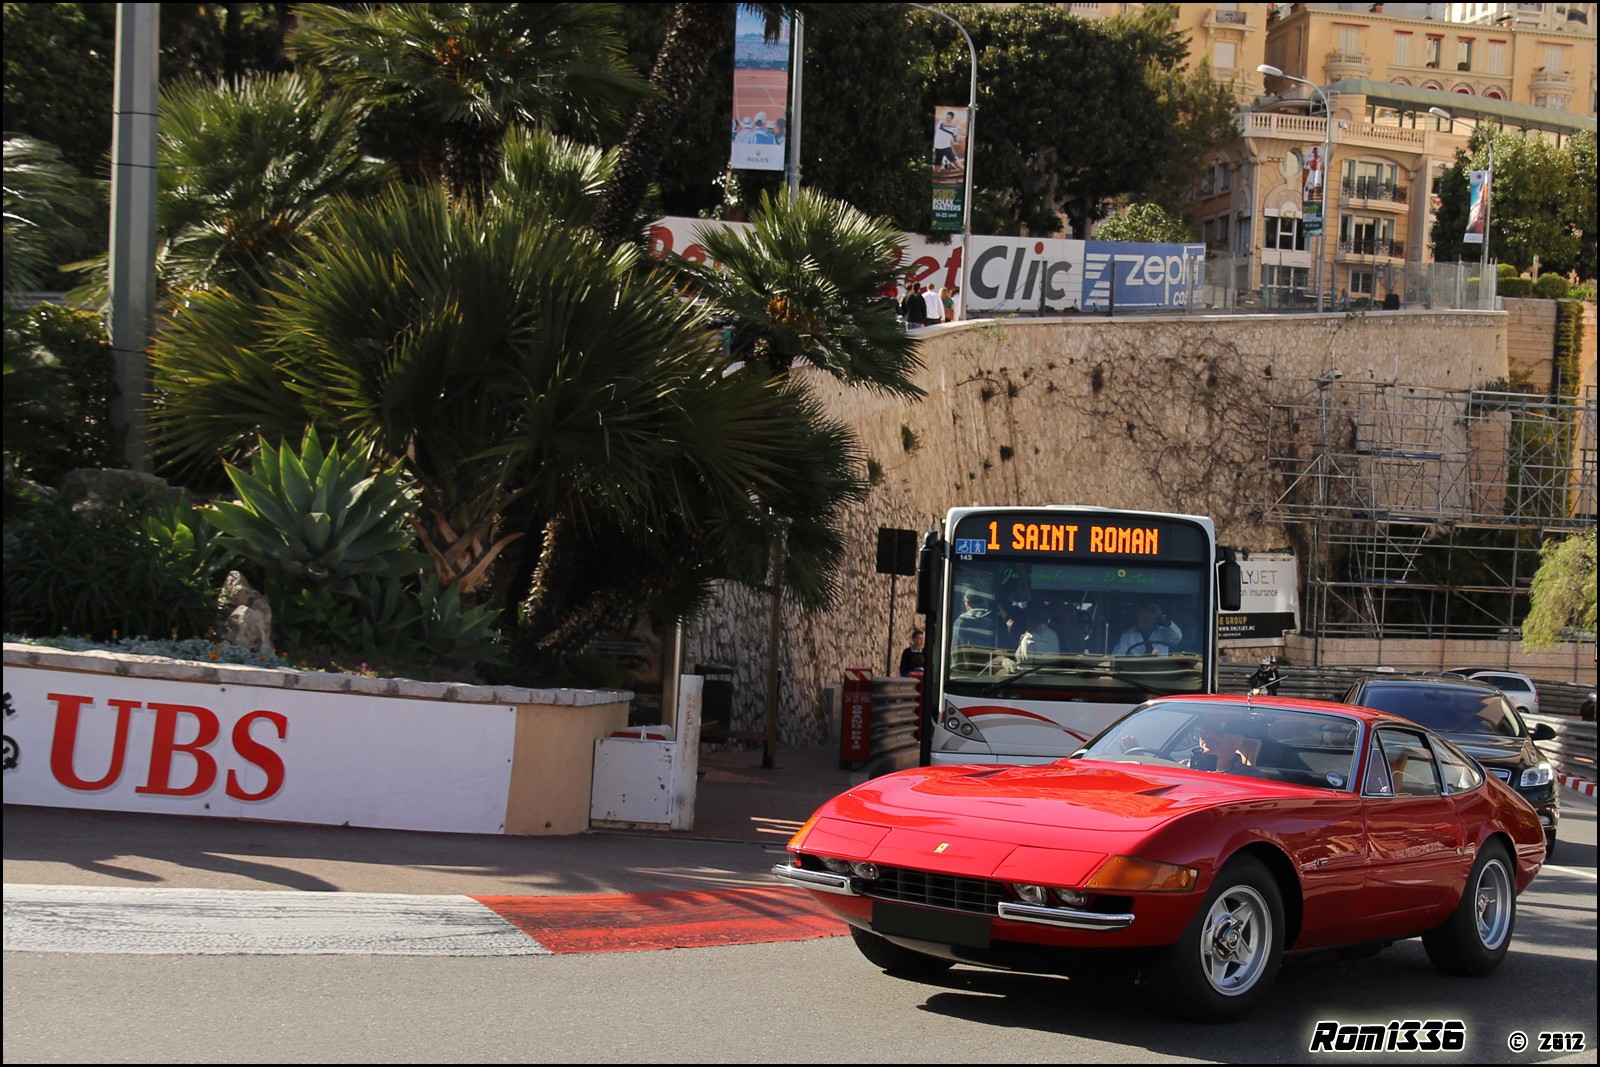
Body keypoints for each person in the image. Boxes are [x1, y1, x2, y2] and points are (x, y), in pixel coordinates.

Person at [1114, 601, 1183, 655]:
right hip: (1135, 671)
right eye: (1139, 620)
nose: (1140, 624)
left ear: (1154, 620)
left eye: (1145, 620)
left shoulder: (1164, 633)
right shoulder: (1127, 636)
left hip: (1161, 671)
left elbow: (1177, 637)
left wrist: (1160, 616)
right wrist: (1129, 658)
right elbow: (1117, 654)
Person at [1191, 720, 1256, 775]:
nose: (1207, 735)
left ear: (1238, 740)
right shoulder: (1183, 768)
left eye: (1217, 729)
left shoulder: (1252, 779)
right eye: (1203, 729)